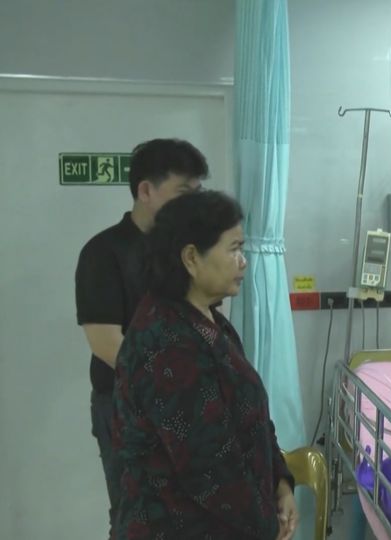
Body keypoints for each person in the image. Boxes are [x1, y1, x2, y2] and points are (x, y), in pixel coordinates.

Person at [111, 190, 298, 539]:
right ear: (191, 258)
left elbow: (253, 418)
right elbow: (208, 466)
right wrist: (266, 525)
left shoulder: (210, 323)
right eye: (234, 249)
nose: (243, 262)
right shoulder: (166, 343)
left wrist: (281, 484)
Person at [74, 138, 208, 530]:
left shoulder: (185, 254)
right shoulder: (103, 252)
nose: (193, 204)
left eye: (197, 193)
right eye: (183, 193)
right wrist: (165, 383)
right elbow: (104, 341)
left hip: (185, 400)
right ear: (146, 191)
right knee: (135, 516)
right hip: (126, 405)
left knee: (185, 514)